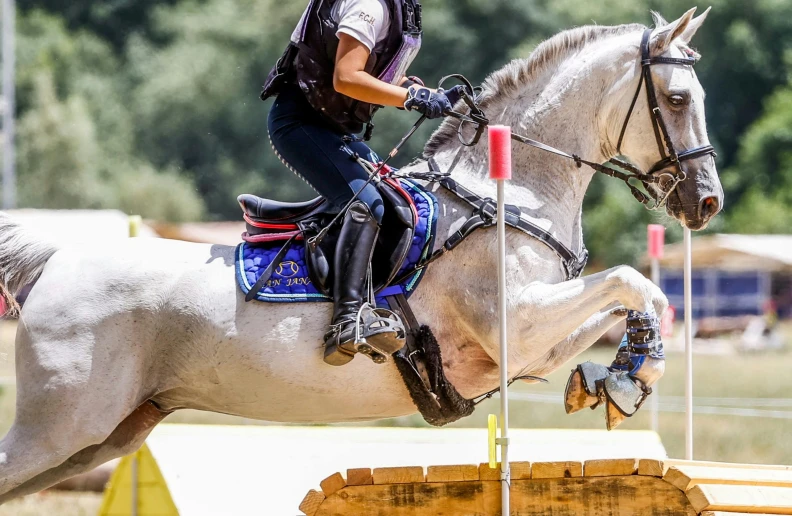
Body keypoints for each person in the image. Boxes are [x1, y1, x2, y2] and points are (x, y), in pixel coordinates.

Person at [261, 0, 464, 366]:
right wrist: (410, 98)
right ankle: (346, 320)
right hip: (301, 125)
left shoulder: (400, 8)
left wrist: (421, 92)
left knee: (399, 202)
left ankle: (380, 303)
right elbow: (346, 77)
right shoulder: (369, 4)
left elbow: (377, 73)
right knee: (365, 203)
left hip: (333, 128)